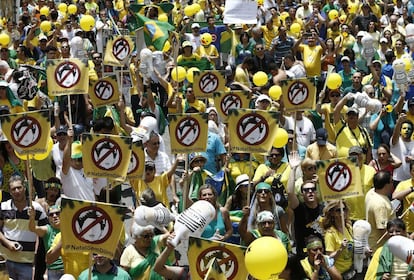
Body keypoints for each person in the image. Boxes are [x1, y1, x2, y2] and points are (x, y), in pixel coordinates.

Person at [0, 175, 48, 280]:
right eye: (13, 189)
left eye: (19, 187)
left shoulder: (37, 209)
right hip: (5, 261)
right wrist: (8, 243)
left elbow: (46, 232)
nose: (17, 191)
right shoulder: (3, 207)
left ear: (24, 187)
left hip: (26, 262)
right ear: (10, 191)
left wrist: (32, 221)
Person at [288, 151, 324, 258]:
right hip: (303, 255)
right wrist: (293, 169)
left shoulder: (324, 209)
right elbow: (290, 192)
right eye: (306, 190)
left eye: (312, 189)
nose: (310, 192)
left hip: (321, 253)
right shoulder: (299, 209)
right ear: (302, 194)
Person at [28, 205, 63, 280]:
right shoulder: (48, 230)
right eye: (51, 214)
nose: (54, 216)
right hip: (53, 270)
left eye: (57, 213)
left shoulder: (70, 228)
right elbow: (32, 228)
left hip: (67, 268)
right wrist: (32, 217)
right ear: (48, 218)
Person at [322, 200, 355, 279]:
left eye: (344, 209)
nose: (342, 212)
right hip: (339, 274)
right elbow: (329, 259)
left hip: (351, 271)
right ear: (332, 213)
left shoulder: (348, 227)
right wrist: (340, 249)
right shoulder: (330, 234)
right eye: (338, 210)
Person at [366, 171, 396, 251]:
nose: (393, 184)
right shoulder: (380, 205)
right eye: (391, 181)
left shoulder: (371, 192)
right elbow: (383, 231)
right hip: (380, 248)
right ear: (386, 185)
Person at [392, 161, 414, 234]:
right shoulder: (404, 184)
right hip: (408, 226)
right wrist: (411, 189)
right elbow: (395, 196)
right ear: (410, 172)